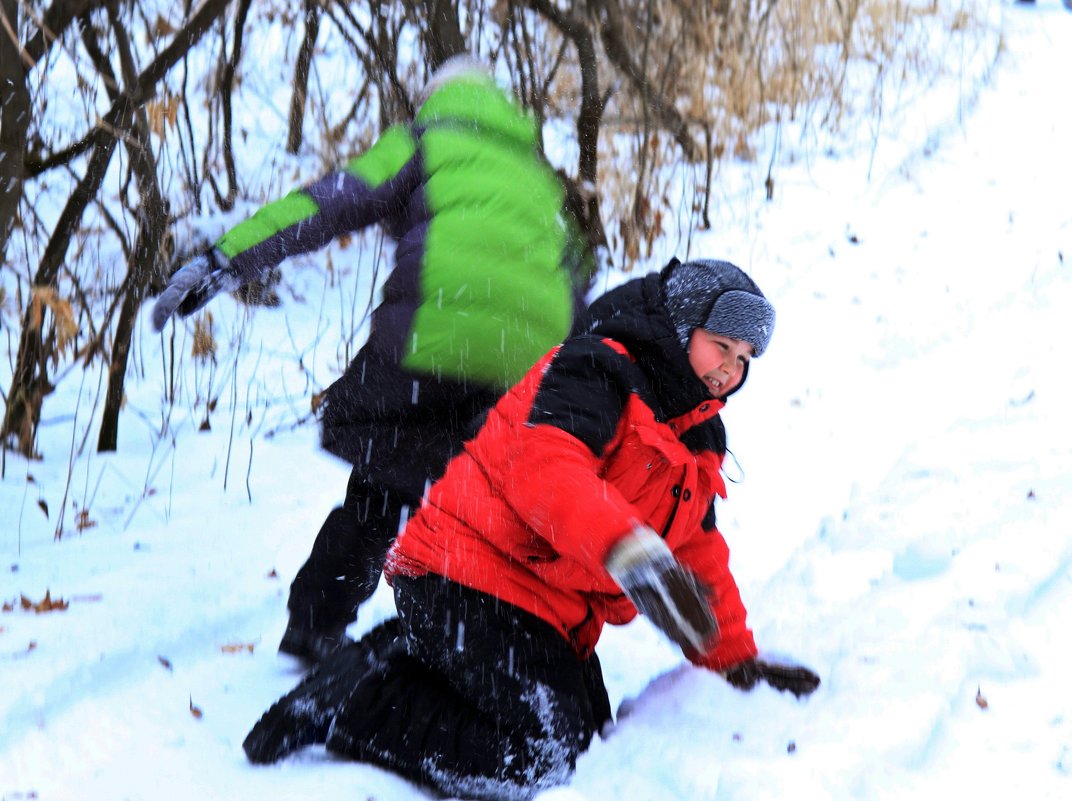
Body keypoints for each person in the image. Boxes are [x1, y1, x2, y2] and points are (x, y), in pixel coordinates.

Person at [242, 258, 821, 800]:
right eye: (721, 345)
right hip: (463, 577)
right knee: (543, 756)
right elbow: (550, 470)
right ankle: (356, 702)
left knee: (591, 743)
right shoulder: (596, 370)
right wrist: (631, 553)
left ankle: (403, 653)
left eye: (745, 358)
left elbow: (696, 546)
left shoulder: (698, 433)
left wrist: (735, 661)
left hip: (545, 610)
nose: (729, 368)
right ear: (680, 325)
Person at [150, 57, 589, 665]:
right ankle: (478, 646)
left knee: (384, 487)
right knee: (488, 502)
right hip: (526, 363)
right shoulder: (540, 177)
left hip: (436, 332)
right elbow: (575, 285)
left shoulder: (427, 140)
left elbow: (329, 204)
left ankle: (316, 624)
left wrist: (227, 259)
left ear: (436, 101)